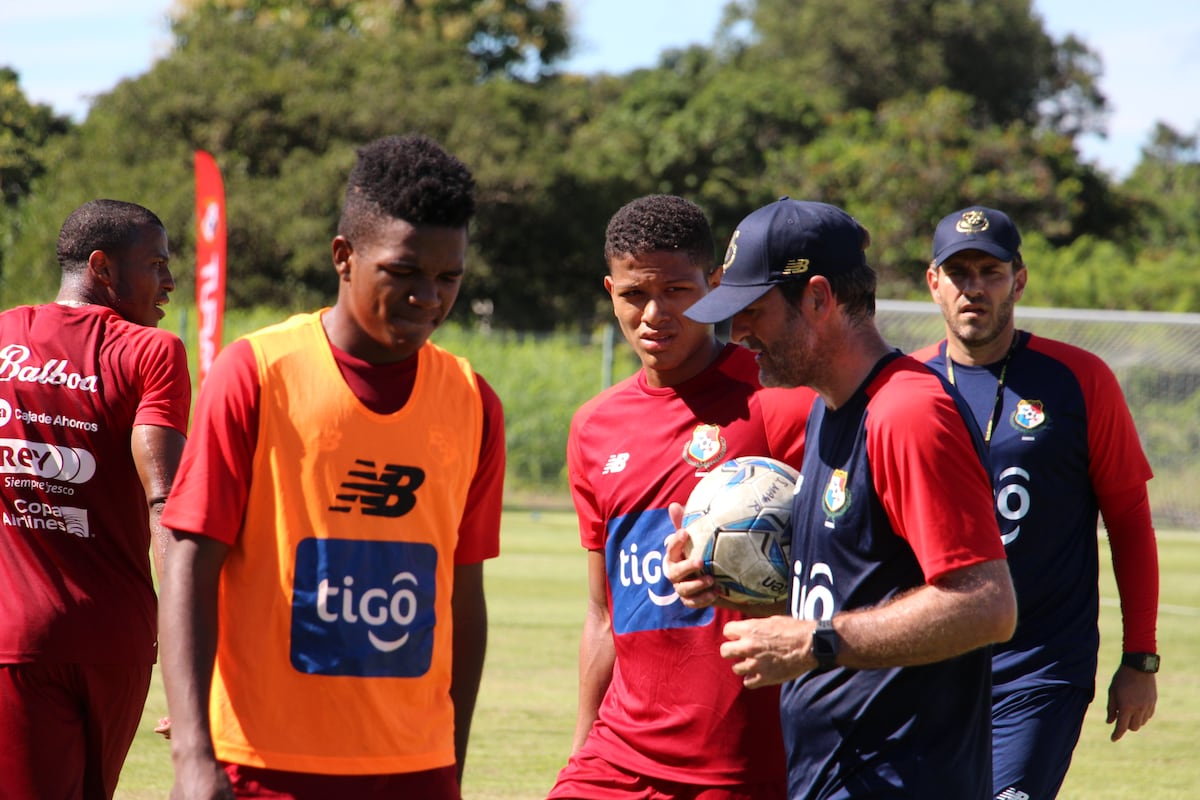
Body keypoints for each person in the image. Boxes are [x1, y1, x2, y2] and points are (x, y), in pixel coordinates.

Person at [158, 134, 505, 800]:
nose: (427, 296)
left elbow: (464, 597)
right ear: (344, 257)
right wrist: (193, 757)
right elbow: (188, 562)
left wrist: (450, 764)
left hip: (414, 769)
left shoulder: (472, 402)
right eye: (404, 272)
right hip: (261, 765)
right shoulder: (256, 374)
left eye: (448, 277)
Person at [666, 197, 1018, 799]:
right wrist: (731, 581)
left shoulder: (907, 413)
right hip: (833, 776)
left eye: (752, 310)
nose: (738, 332)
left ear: (819, 299)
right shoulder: (830, 410)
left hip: (906, 781)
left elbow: (987, 604)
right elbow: (844, 596)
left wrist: (815, 643)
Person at [546, 194, 813, 800]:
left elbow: (838, 573)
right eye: (634, 294)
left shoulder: (776, 398)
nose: (653, 313)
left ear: (715, 284)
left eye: (677, 291)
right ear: (610, 290)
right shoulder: (594, 427)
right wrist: (582, 748)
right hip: (616, 755)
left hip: (741, 763)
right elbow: (604, 614)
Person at [912, 205, 1160, 799]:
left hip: (1042, 667)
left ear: (1018, 280)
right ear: (933, 282)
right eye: (959, 272)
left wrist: (1141, 659)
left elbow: (1127, 521)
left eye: (990, 272)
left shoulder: (1079, 378)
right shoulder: (907, 385)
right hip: (929, 663)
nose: (974, 288)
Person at [0, 199, 190, 799]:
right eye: (156, 263)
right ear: (103, 267)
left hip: (16, 641)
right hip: (118, 644)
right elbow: (168, 505)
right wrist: (192, 675)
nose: (169, 281)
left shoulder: (3, 335)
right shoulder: (153, 353)